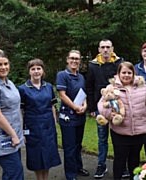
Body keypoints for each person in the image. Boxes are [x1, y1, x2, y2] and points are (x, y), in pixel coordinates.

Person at [98, 61, 146, 180]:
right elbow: (101, 106)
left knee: (134, 159)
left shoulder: (143, 88)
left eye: (129, 73)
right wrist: (111, 114)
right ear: (119, 74)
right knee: (120, 159)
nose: (126, 75)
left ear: (134, 73)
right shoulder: (112, 88)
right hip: (120, 131)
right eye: (123, 72)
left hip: (139, 131)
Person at [85, 39, 129, 179]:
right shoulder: (93, 66)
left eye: (108, 47)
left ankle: (122, 166)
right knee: (102, 138)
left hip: (117, 107)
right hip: (100, 109)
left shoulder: (119, 63)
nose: (105, 50)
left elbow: (125, 83)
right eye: (102, 47)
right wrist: (92, 108)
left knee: (120, 137)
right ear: (98, 49)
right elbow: (89, 87)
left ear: (112, 48)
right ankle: (101, 165)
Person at [18, 59, 61, 180]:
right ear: (29, 71)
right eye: (33, 69)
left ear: (43, 70)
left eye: (38, 68)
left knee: (47, 154)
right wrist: (22, 130)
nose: (36, 71)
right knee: (36, 156)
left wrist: (55, 124)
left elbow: (52, 107)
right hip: (33, 127)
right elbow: (20, 111)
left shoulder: (48, 86)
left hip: (48, 126)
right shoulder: (22, 89)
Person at [0, 48, 24, 179]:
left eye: (5, 64)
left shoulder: (9, 83)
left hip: (14, 136)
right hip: (3, 138)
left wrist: (20, 133)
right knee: (16, 173)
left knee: (10, 173)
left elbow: (15, 108)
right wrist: (14, 136)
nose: (3, 67)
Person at [56, 50, 89, 180]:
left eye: (77, 59)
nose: (74, 61)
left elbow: (83, 93)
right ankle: (70, 175)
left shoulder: (81, 77)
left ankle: (78, 167)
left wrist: (85, 106)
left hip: (80, 116)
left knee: (78, 145)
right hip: (68, 117)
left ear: (80, 61)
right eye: (72, 58)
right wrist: (75, 107)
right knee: (69, 147)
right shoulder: (62, 75)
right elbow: (62, 95)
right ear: (67, 59)